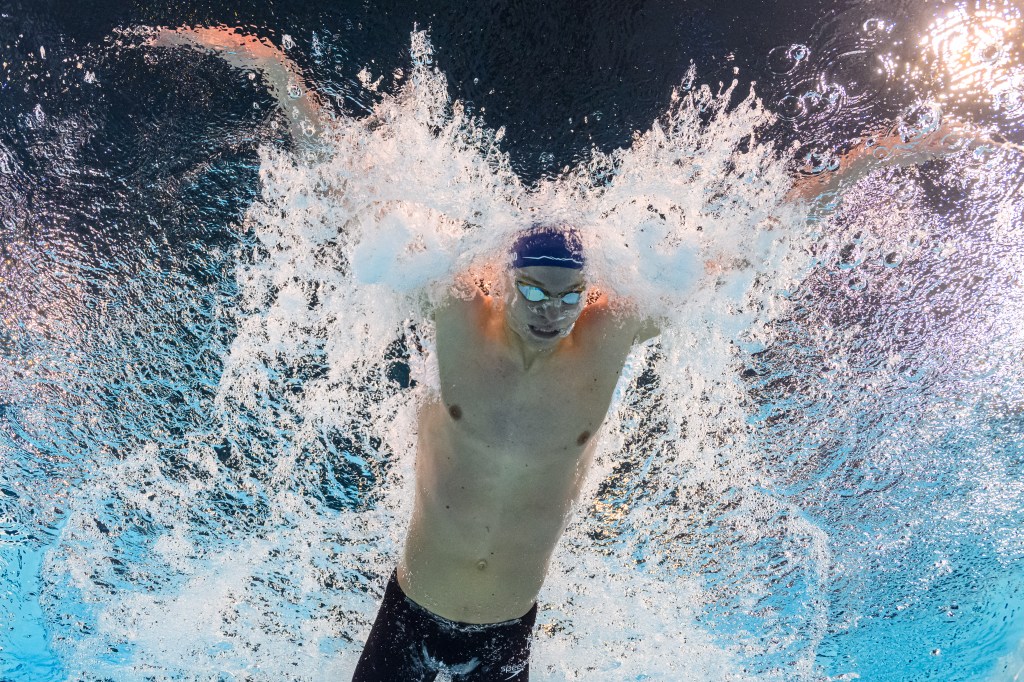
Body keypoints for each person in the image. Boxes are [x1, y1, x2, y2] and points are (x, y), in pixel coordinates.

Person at [147, 25, 1014, 681]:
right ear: (504, 280)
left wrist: (868, 166)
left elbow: (756, 242)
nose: (553, 312)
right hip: (409, 615)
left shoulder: (613, 331)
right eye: (536, 293)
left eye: (570, 296)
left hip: (510, 631)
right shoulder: (453, 309)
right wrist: (275, 74)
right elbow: (354, 196)